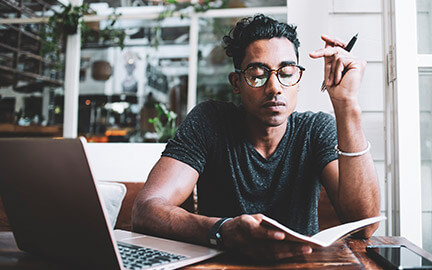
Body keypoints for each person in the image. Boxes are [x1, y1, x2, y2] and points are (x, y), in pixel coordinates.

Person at [132, 14, 380, 261]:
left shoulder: (314, 130)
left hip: (299, 266)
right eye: (257, 73)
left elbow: (365, 225)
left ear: (298, 79)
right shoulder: (210, 122)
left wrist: (347, 104)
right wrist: (223, 230)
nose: (274, 87)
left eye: (286, 72)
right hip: (223, 267)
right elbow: (145, 210)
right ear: (236, 82)